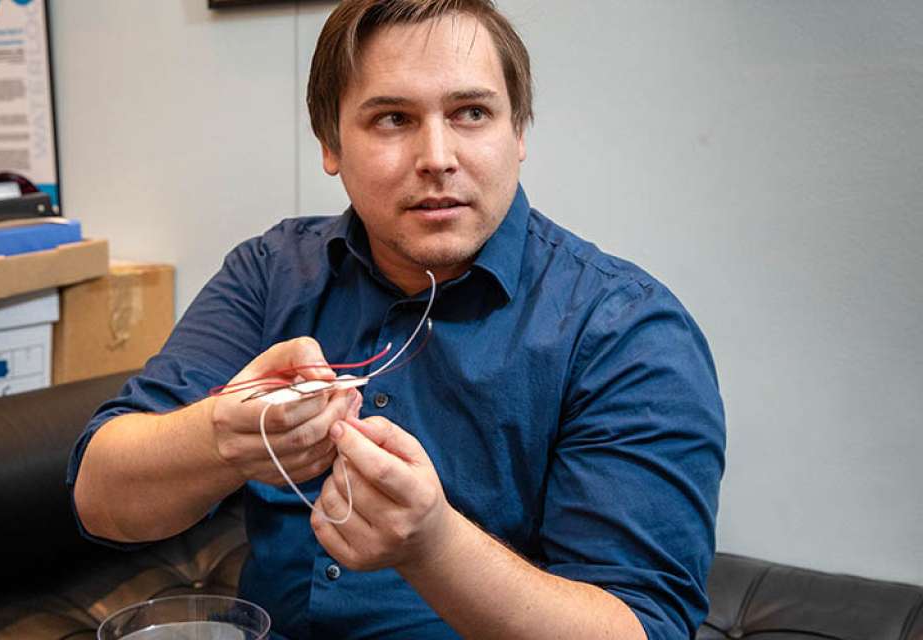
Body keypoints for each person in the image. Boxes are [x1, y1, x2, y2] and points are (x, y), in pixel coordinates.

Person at [68, 1, 725, 638]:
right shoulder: (271, 273)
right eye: (392, 119)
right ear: (331, 143)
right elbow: (100, 498)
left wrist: (434, 546)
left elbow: (640, 626)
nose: (437, 156)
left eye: (471, 113)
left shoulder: (626, 333)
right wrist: (218, 438)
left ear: (518, 132)